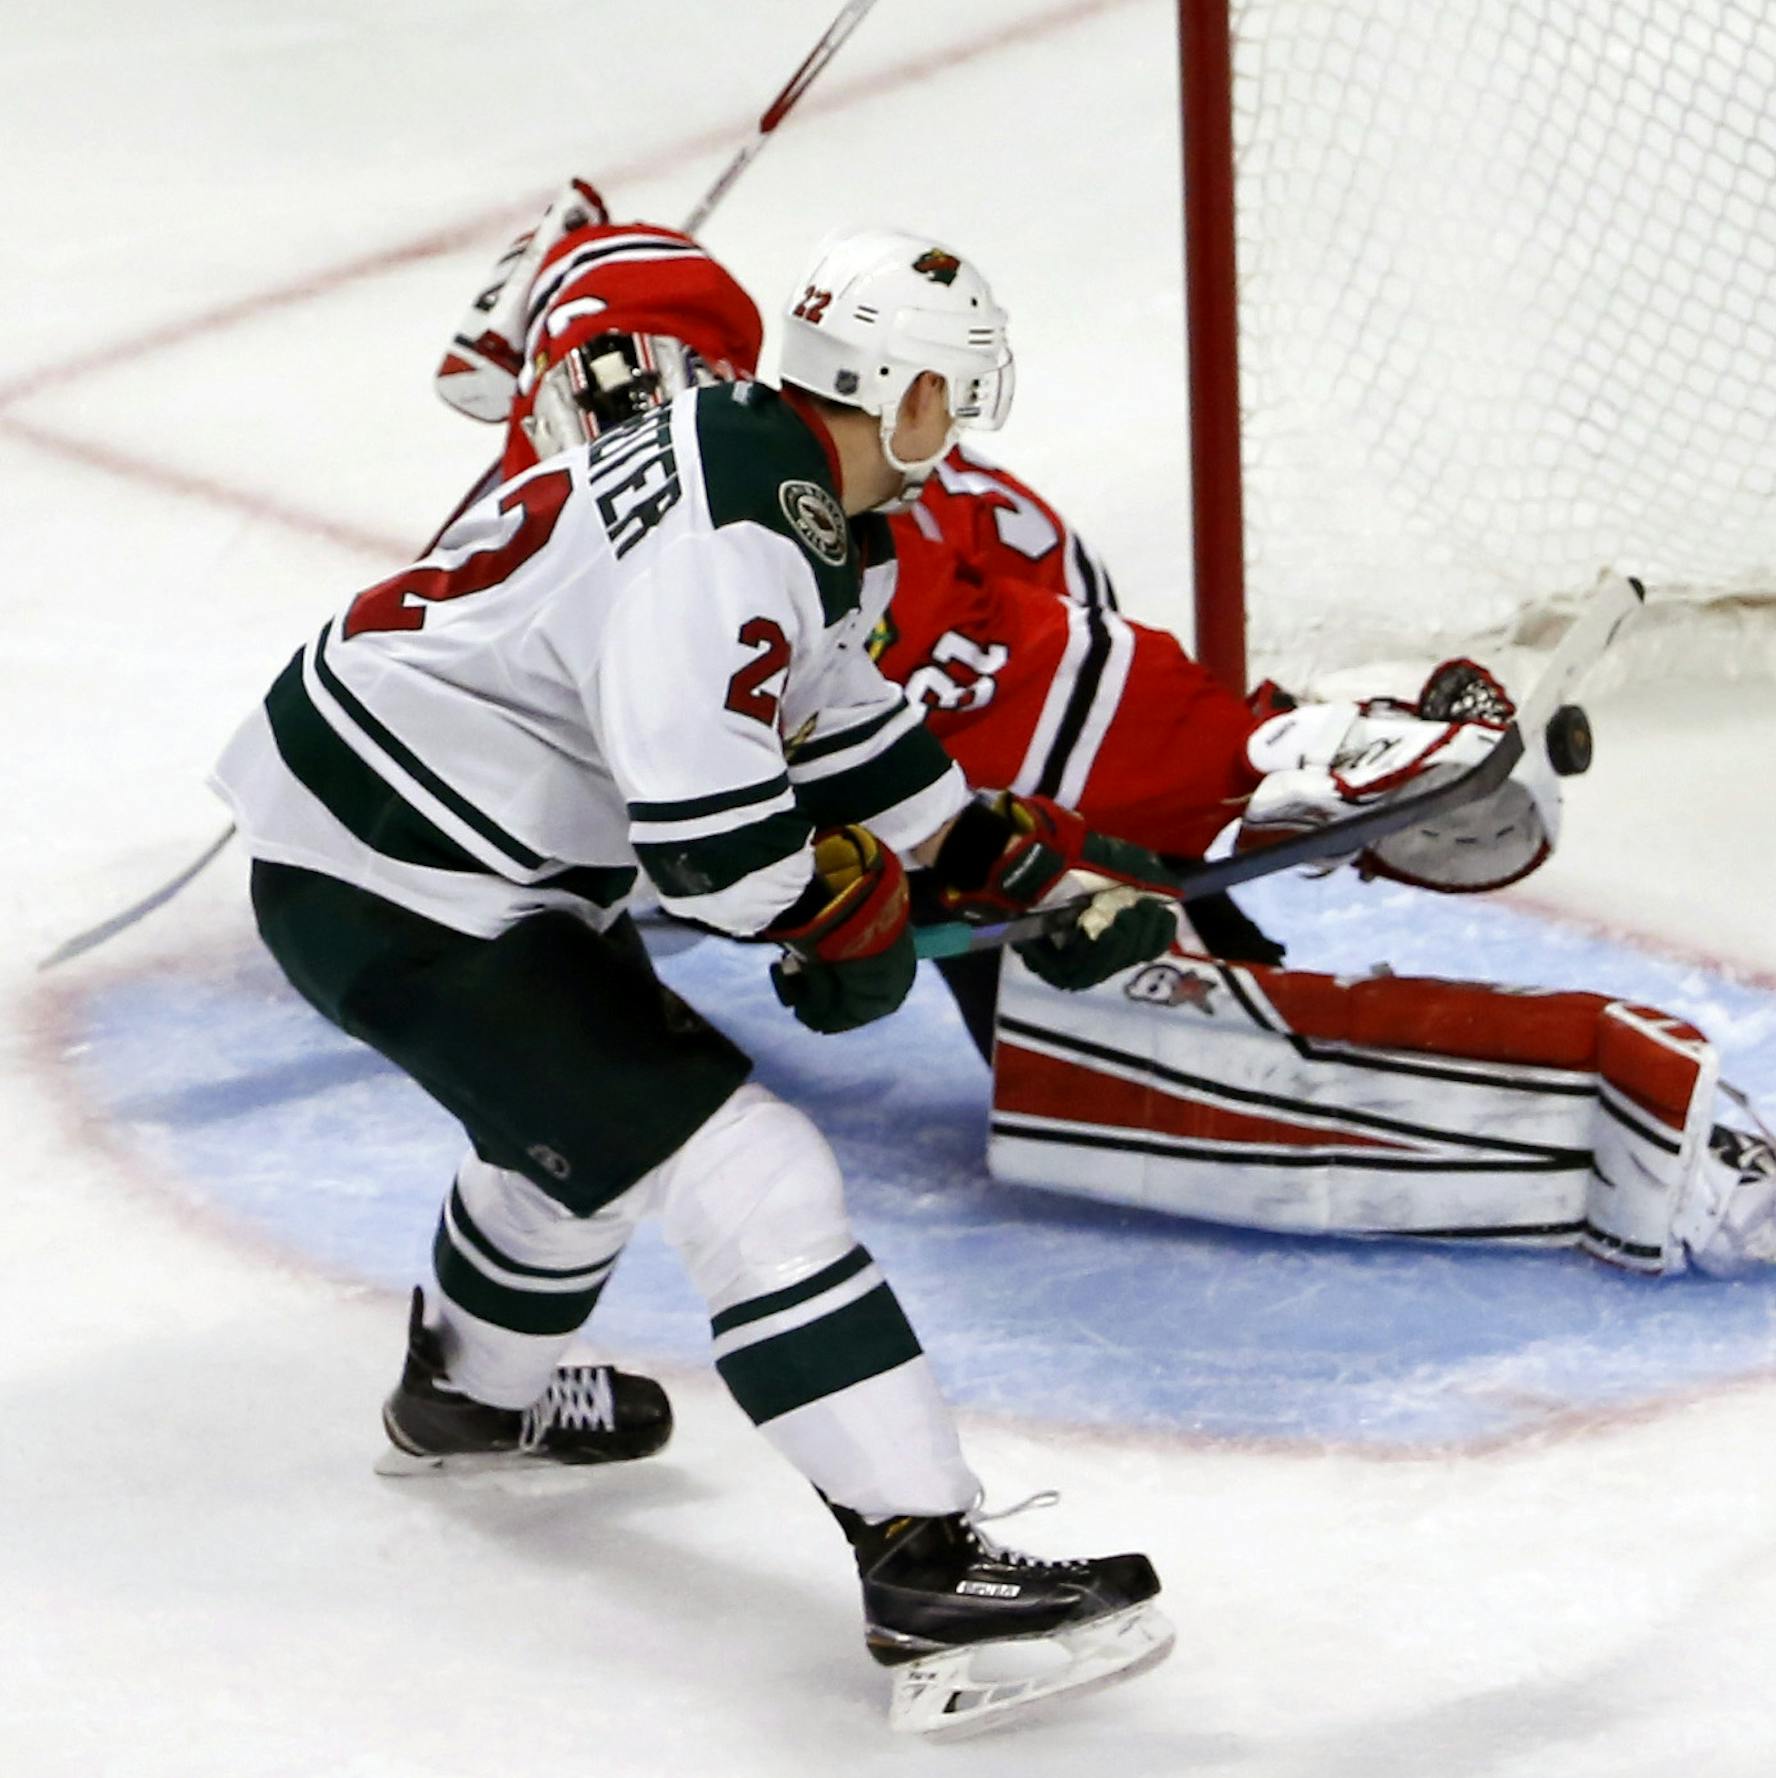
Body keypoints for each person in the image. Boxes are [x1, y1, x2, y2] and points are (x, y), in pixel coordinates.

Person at [428, 181, 1776, 1279]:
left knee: (1096, 1013)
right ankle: (1265, 769)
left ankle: (1269, 763)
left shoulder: (830, 522)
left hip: (945, 649)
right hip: (825, 686)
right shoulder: (640, 484)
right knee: (1077, 1008)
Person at [213, 224, 1181, 1735]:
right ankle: (927, 1568)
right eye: (952, 398)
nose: (961, 433)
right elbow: (715, 846)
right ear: (906, 395)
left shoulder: (772, 471)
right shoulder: (739, 527)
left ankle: (469, 1393)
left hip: (421, 844)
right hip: (403, 876)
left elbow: (829, 705)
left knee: (583, 1140)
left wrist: (1012, 862)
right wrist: (839, 908)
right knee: (752, 1167)